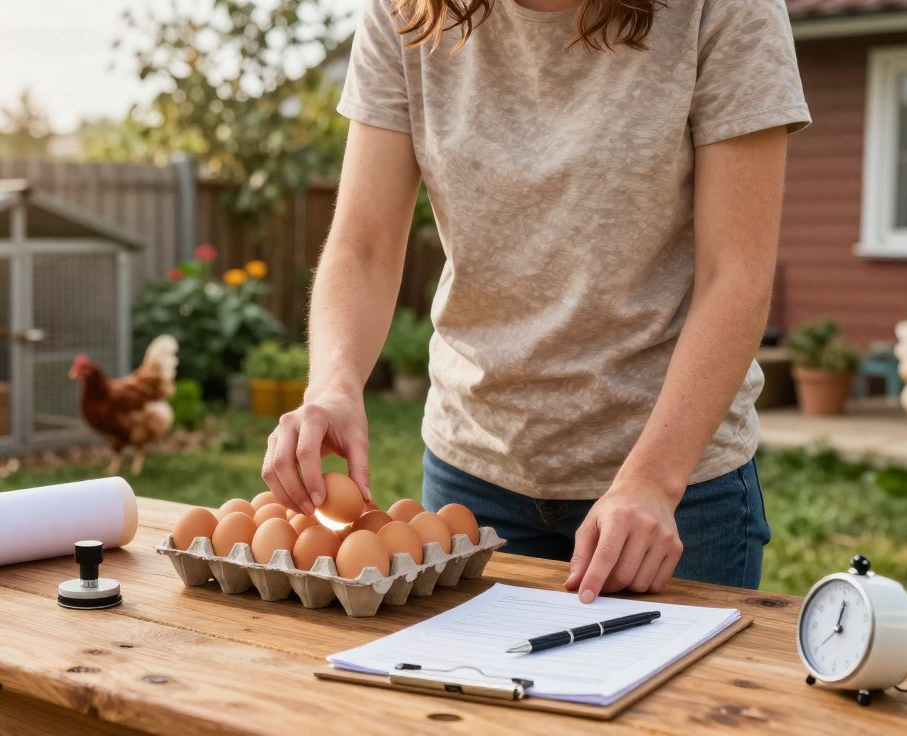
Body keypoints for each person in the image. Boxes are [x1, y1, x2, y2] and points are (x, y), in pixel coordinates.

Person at [260, 0, 810, 603]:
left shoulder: (725, 9)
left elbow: (734, 275)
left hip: (673, 489)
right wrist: (334, 384)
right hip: (474, 472)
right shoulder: (407, 12)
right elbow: (363, 246)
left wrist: (653, 481)